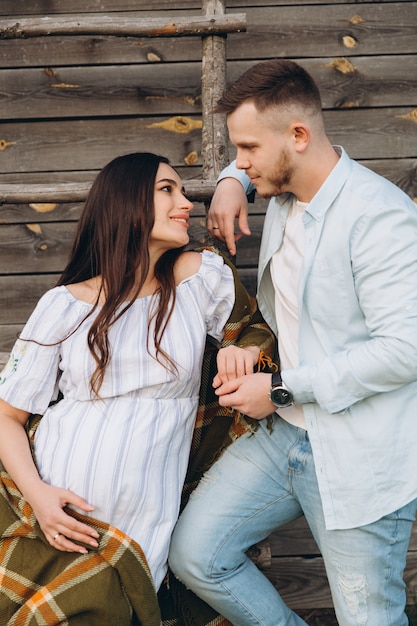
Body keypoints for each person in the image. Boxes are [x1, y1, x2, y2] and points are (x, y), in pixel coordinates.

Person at [168, 59, 417, 625]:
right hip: (287, 436)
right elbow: (304, 321)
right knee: (197, 555)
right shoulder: (283, 194)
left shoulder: (380, 218)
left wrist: (278, 388)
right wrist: (234, 179)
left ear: (298, 137)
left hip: (360, 453)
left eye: (248, 149)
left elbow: (406, 350)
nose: (241, 161)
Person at [0, 152, 274, 625]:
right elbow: (7, 415)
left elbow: (257, 329)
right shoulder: (63, 305)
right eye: (167, 189)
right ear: (125, 202)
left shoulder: (199, 277)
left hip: (147, 510)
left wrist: (248, 353)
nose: (185, 202)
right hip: (56, 509)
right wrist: (40, 499)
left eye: (184, 191)